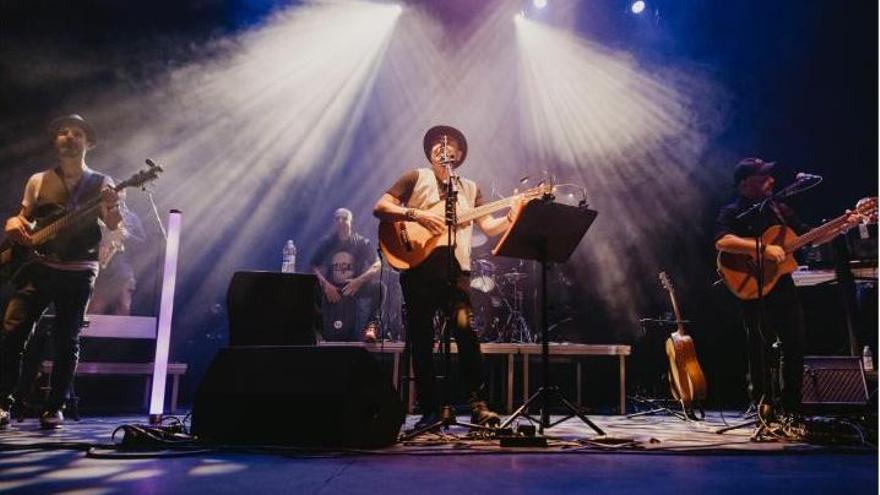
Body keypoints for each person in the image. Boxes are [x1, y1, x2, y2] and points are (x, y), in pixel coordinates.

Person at [373, 125, 516, 429]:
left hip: (457, 272)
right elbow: (381, 207)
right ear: (430, 152)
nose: (442, 145)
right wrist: (417, 215)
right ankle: (430, 410)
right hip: (418, 269)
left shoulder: (471, 188)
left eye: (449, 143)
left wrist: (512, 217)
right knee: (422, 339)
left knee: (467, 334)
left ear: (459, 154)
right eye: (436, 143)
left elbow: (488, 226)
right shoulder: (415, 177)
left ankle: (479, 406)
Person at [0, 114, 123, 429]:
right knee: (13, 333)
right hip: (38, 267)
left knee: (67, 339)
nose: (69, 137)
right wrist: (15, 224)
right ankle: (2, 404)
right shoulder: (38, 179)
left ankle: (54, 408)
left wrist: (114, 205)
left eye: (77, 133)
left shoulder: (102, 182)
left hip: (79, 269)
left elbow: (112, 224)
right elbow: (24, 219)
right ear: (56, 142)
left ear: (88, 143)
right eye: (63, 133)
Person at [714, 158, 859, 418]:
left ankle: (791, 406)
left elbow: (810, 236)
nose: (771, 180)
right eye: (763, 177)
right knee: (758, 347)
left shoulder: (780, 210)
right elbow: (723, 241)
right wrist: (762, 248)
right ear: (745, 183)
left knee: (794, 343)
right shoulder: (734, 211)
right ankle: (761, 405)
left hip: (782, 285)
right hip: (751, 286)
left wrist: (841, 226)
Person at [310, 208, 381, 342]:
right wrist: (326, 285)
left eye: (344, 218)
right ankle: (317, 332)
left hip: (354, 288)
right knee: (309, 288)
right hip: (333, 289)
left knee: (380, 289)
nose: (340, 221)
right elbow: (314, 265)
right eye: (337, 218)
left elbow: (377, 264)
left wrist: (358, 281)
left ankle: (371, 326)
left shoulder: (361, 242)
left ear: (351, 222)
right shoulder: (327, 243)